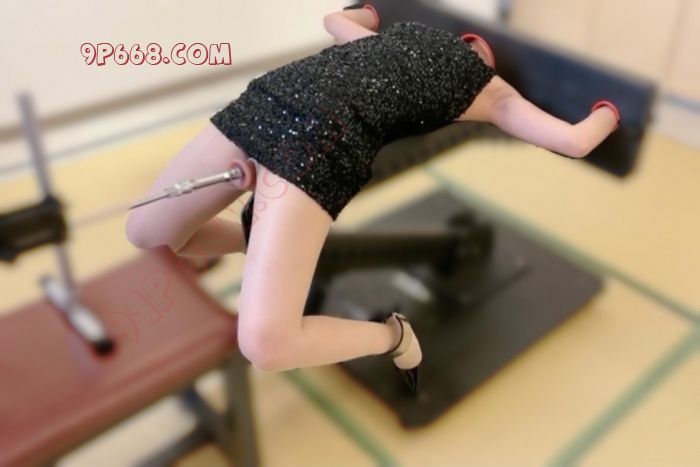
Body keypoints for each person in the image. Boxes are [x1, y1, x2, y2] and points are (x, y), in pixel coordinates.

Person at [125, 4, 620, 394]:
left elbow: (336, 19)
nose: (468, 45)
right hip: (270, 98)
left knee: (266, 345)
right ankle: (255, 243)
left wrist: (615, 112)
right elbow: (575, 139)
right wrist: (610, 112)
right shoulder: (400, 48)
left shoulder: (494, 95)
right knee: (148, 233)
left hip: (321, 143)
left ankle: (393, 336)